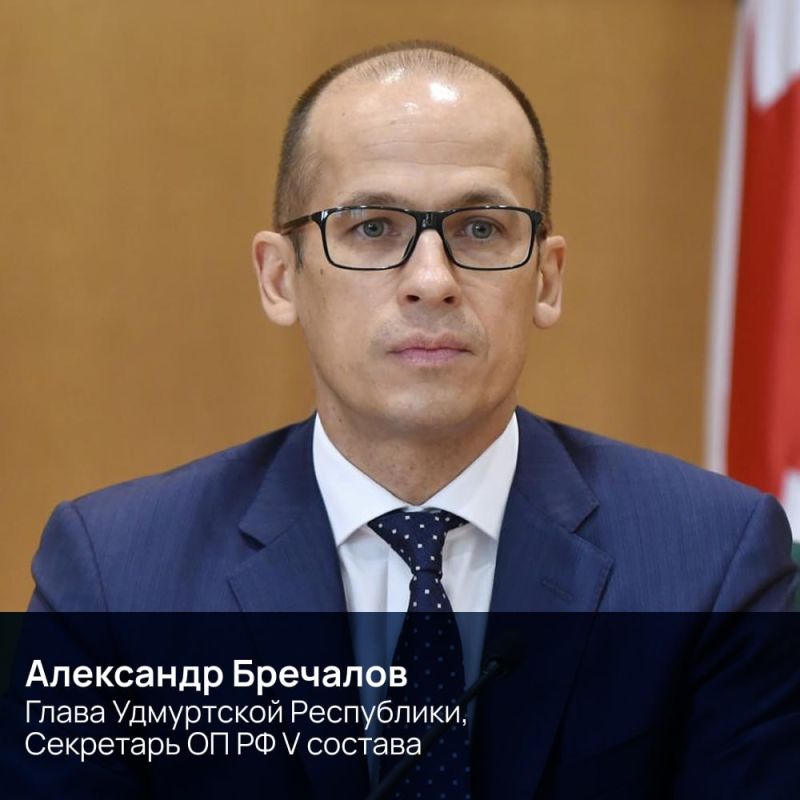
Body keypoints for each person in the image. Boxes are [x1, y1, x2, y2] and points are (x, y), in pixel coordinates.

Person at [20, 40, 800, 799]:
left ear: (547, 279)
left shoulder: (712, 562)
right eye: (372, 228)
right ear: (280, 277)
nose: (432, 280)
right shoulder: (115, 576)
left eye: (481, 230)